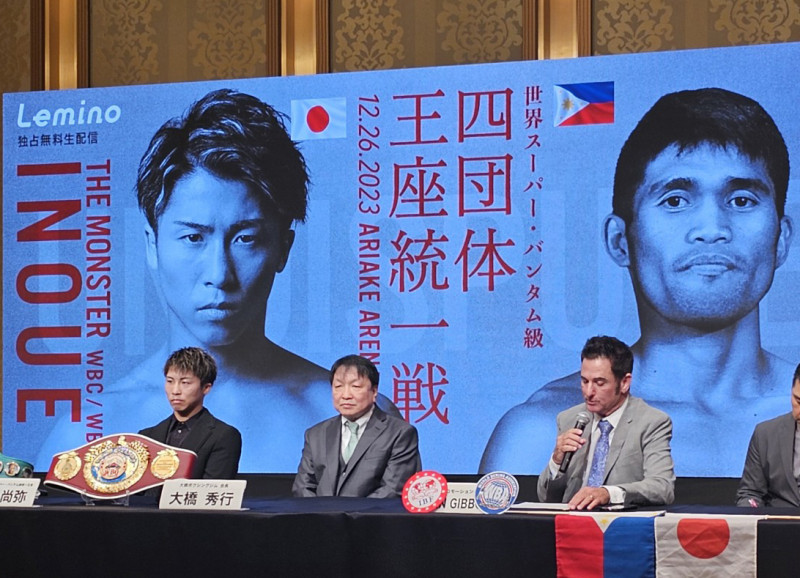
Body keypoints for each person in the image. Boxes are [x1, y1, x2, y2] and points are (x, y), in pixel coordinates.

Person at [37, 88, 397, 472]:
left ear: (283, 247)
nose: (219, 274)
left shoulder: (346, 413)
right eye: (193, 237)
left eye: (246, 239)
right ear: (152, 245)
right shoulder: (88, 430)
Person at [481, 87, 794, 476]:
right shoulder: (543, 431)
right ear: (620, 240)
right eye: (675, 200)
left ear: (782, 238)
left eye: (742, 200)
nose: (712, 229)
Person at [537, 336, 674, 509]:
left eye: (599, 383)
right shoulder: (569, 419)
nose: (588, 392)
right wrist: (556, 462)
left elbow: (662, 488)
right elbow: (545, 498)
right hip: (571, 520)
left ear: (624, 383)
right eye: (584, 381)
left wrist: (608, 493)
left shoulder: (651, 422)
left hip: (619, 522)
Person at [293, 354, 421, 498]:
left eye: (356, 386)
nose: (346, 395)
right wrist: (321, 511)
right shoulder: (315, 434)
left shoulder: (400, 433)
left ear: (374, 391)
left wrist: (347, 512)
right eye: (338, 386)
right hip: (319, 513)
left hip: (373, 512)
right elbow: (303, 486)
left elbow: (393, 489)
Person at [139, 347, 241, 479]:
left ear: (206, 388)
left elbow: (213, 487)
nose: (175, 391)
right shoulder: (146, 437)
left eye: (185, 383)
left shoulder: (224, 436)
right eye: (170, 381)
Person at [737, 363, 800, 507]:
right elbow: (751, 493)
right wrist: (750, 508)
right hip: (779, 520)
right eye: (798, 400)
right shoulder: (766, 434)